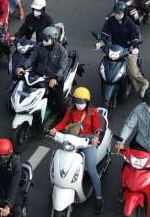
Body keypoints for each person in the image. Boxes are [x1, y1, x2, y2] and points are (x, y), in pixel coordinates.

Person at [50, 86, 104, 214]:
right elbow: (63, 123)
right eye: (77, 101)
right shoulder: (70, 110)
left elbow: (97, 128)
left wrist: (95, 137)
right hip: (73, 138)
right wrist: (54, 130)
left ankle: (99, 197)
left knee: (91, 169)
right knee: (63, 160)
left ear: (87, 101)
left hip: (87, 141)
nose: (79, 104)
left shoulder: (93, 112)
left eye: (81, 102)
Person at [100, 2, 148, 98]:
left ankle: (144, 83)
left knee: (133, 72)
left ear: (125, 13)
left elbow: (135, 38)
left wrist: (135, 48)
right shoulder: (111, 21)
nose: (116, 15)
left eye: (119, 13)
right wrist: (101, 42)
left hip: (128, 48)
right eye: (115, 13)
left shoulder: (130, 23)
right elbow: (105, 32)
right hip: (115, 48)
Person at [19, 26, 69, 115]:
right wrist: (23, 67)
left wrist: (55, 78)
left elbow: (62, 67)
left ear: (54, 39)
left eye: (46, 38)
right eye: (44, 38)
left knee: (59, 103)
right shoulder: (39, 46)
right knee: (25, 88)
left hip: (53, 78)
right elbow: (32, 58)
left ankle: (63, 116)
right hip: (39, 76)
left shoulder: (62, 51)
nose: (44, 40)